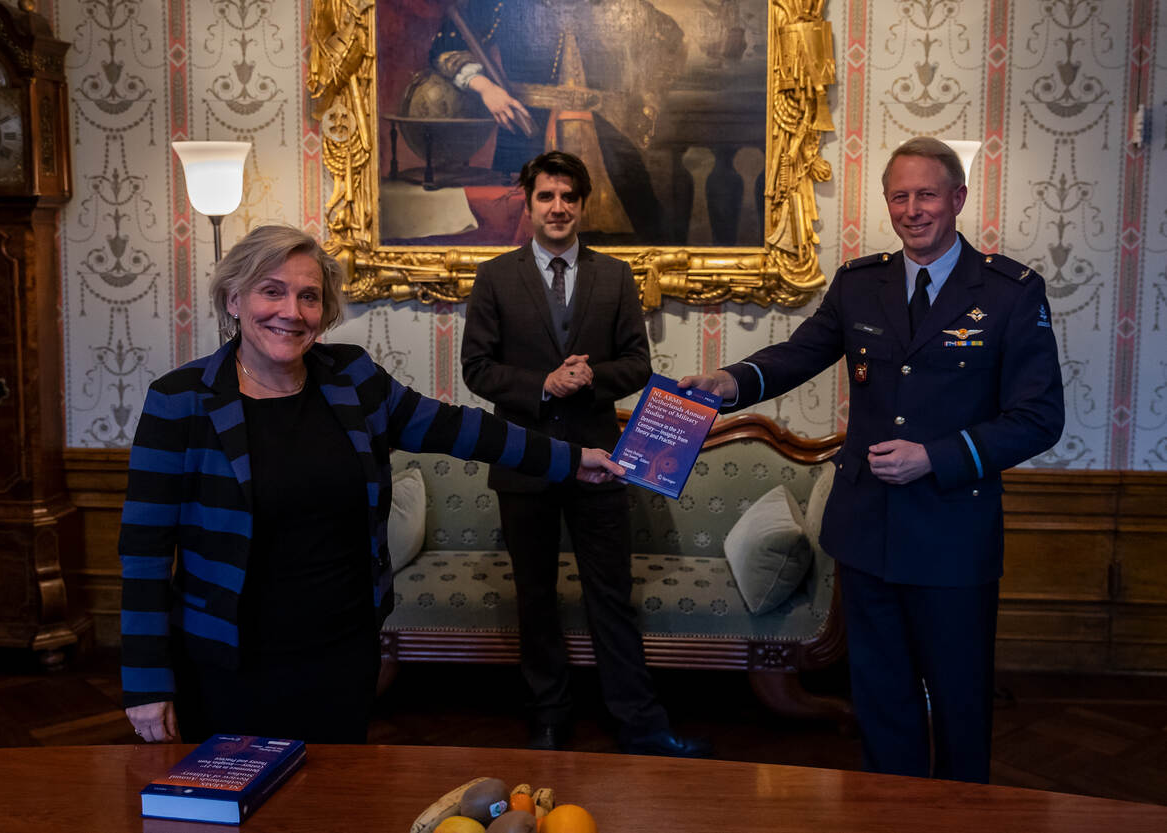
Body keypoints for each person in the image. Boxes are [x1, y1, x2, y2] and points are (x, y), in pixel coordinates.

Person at [120, 225, 625, 745]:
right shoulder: (180, 401)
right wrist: (145, 682)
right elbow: (144, 552)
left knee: (337, 790)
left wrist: (570, 460)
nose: (292, 311)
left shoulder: (352, 379)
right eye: (271, 291)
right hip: (227, 663)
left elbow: (457, 428)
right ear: (234, 299)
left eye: (309, 296)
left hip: (342, 652)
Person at [680, 137, 1065, 782]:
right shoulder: (861, 283)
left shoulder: (1009, 292)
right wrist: (730, 381)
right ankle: (893, 813)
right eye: (900, 196)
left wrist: (934, 457)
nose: (913, 210)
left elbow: (1039, 417)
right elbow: (800, 353)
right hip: (868, 531)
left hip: (953, 534)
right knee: (881, 701)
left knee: (960, 701)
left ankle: (962, 814)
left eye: (927, 195)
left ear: (958, 198)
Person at [461, 151, 709, 757]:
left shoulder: (615, 276)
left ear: (583, 204)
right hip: (524, 462)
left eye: (569, 196)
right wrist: (544, 384)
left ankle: (640, 723)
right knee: (536, 597)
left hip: (600, 462)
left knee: (611, 595)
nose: (558, 207)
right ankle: (547, 716)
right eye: (546, 196)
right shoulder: (495, 276)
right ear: (528, 203)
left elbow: (637, 365)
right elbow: (476, 368)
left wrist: (590, 377)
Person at [429, 0, 684, 241]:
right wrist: (486, 89)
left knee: (640, 227)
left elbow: (668, 38)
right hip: (527, 133)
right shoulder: (501, 3)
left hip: (608, 135)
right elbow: (445, 47)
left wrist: (647, 99)